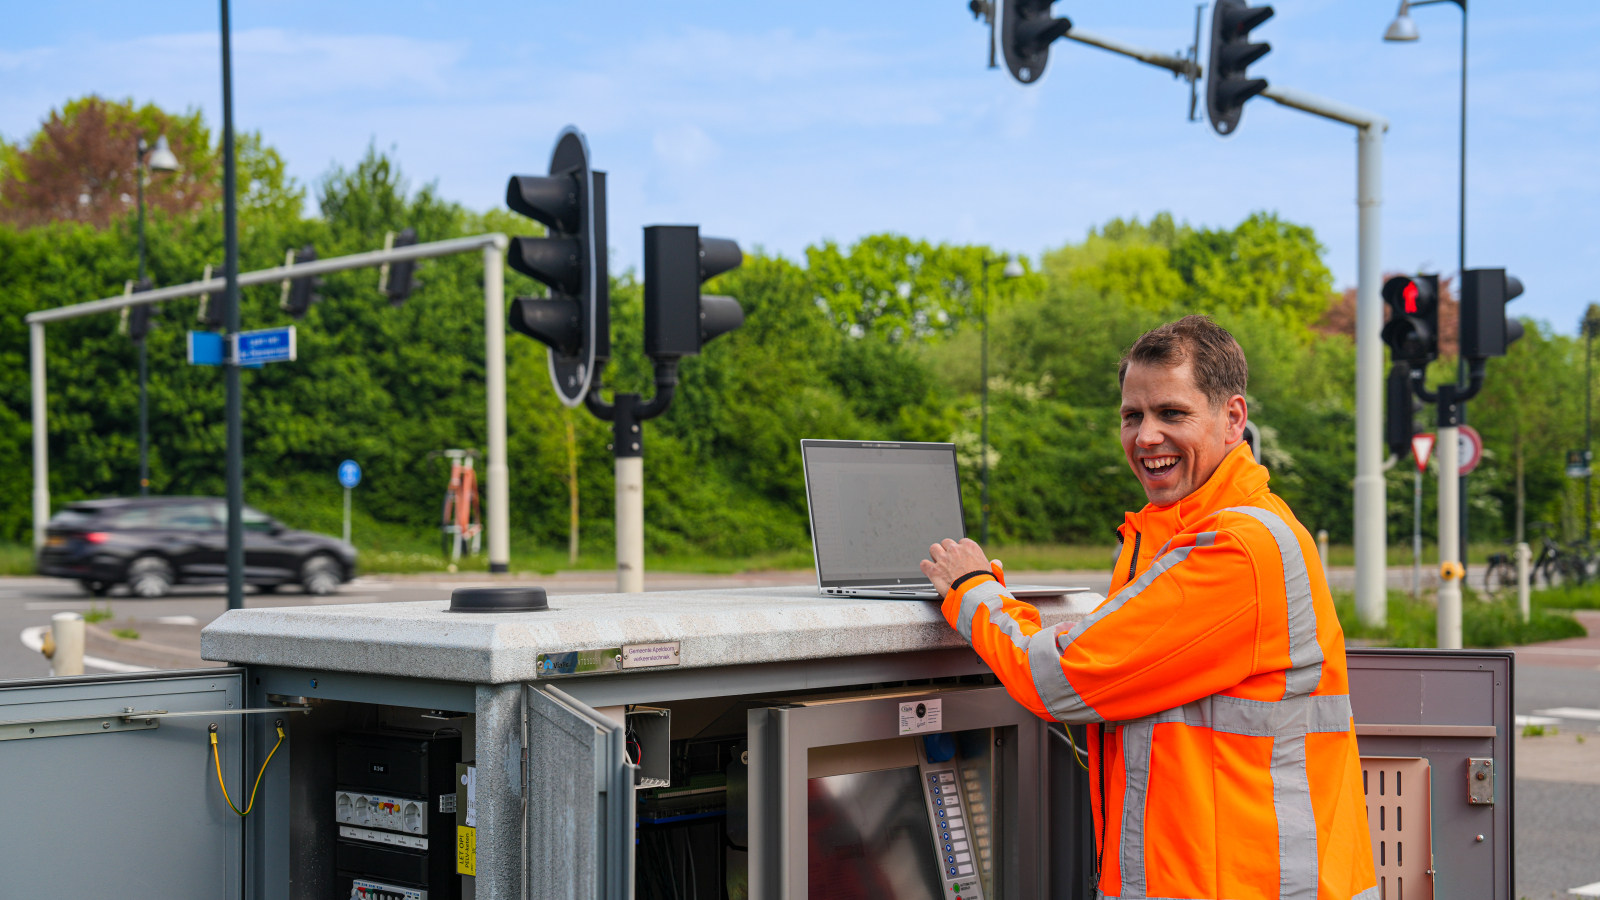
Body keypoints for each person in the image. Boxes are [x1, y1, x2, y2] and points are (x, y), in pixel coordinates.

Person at [922, 316, 1375, 900]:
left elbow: (1060, 676)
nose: (1146, 437)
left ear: (1233, 418)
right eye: (1132, 416)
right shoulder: (1176, 536)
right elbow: (1120, 656)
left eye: (1172, 413)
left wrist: (973, 594)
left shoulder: (1236, 549)